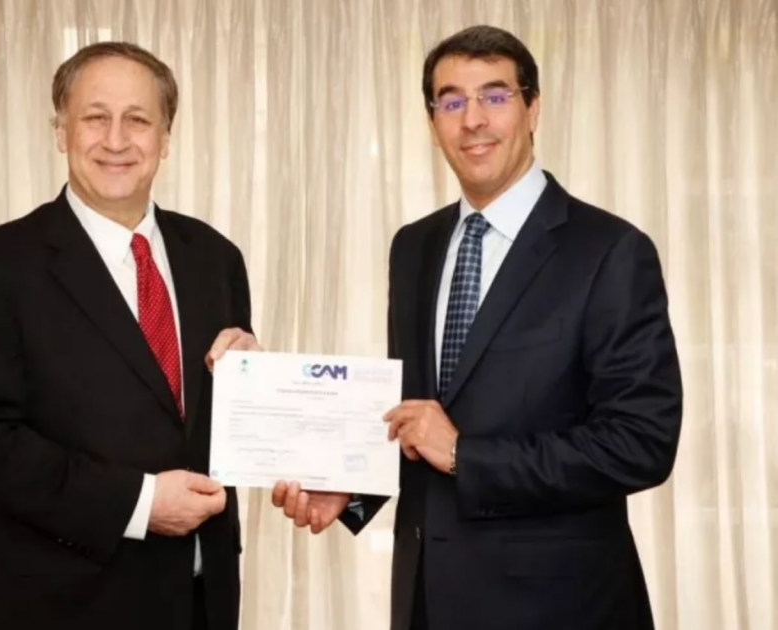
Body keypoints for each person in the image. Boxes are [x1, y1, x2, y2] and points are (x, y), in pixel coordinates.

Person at [271, 25, 682, 630]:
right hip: (427, 601)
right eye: (452, 101)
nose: (473, 120)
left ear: (532, 108)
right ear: (432, 121)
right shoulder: (413, 247)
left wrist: (467, 455)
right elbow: (419, 414)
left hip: (559, 608)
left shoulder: (610, 251)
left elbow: (641, 443)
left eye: (494, 95)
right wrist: (354, 488)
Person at [0, 42, 258, 630]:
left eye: (137, 119)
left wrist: (255, 384)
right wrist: (138, 503)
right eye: (95, 117)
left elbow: (214, 430)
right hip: (59, 606)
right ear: (61, 131)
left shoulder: (216, 258)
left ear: (166, 137)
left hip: (200, 602)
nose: (116, 140)